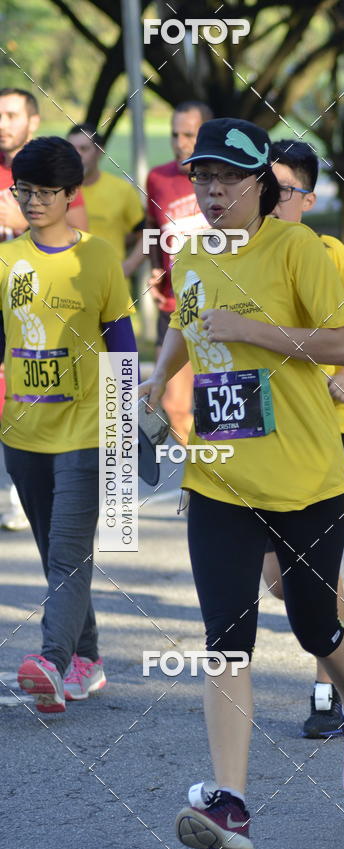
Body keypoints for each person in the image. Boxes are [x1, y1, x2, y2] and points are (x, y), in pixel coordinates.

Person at [140, 118, 344, 849]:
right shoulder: (190, 253)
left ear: (259, 185)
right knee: (226, 642)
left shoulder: (299, 249)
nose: (211, 191)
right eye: (201, 178)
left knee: (314, 625)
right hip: (220, 478)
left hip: (308, 477)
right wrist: (158, 380)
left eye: (227, 179)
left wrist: (252, 331)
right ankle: (231, 806)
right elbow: (188, 322)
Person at [0, 137, 137, 711]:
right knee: (53, 548)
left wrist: (125, 432)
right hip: (24, 433)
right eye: (23, 190)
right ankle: (89, 660)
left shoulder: (99, 257)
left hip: (86, 429)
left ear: (71, 194)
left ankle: (51, 662)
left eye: (45, 192)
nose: (32, 201)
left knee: (68, 554)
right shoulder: (6, 261)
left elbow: (121, 345)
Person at [263, 139, 344, 738]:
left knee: (314, 562)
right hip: (265, 430)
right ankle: (341, 665)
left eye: (283, 188)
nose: (268, 196)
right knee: (279, 574)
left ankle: (328, 690)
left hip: (329, 426)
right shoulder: (238, 255)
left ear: (308, 199)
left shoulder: (326, 251)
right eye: (262, 183)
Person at [0, 88, 88, 531]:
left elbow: (79, 233)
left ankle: (24, 491)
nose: (2, 123)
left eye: (11, 114)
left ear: (32, 121)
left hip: (47, 305)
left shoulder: (55, 166)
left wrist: (21, 224)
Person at [145, 100, 212, 445]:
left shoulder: (222, 179)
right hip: (176, 305)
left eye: (189, 134)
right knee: (174, 406)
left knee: (218, 404)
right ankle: (197, 486)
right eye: (175, 134)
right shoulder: (158, 178)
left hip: (220, 302)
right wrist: (156, 268)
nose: (180, 141)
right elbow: (154, 232)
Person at [67, 123, 145, 276]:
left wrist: (129, 266)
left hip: (111, 287)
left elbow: (149, 235)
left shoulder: (122, 189)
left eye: (83, 149)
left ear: (99, 150)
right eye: (71, 149)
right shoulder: (55, 191)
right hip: (67, 284)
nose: (77, 155)